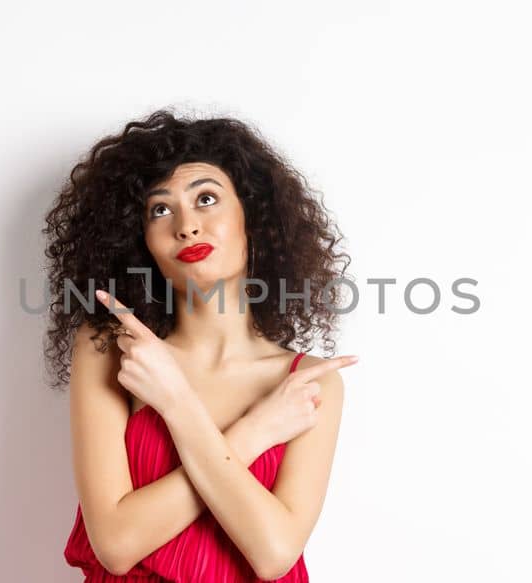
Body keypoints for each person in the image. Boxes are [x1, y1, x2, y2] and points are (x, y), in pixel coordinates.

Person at [43, 109, 357, 582]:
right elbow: (116, 545)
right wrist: (254, 433)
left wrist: (176, 402)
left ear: (255, 218)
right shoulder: (113, 349)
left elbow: (273, 554)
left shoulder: (308, 383)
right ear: (141, 240)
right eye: (161, 210)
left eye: (206, 199)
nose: (186, 226)